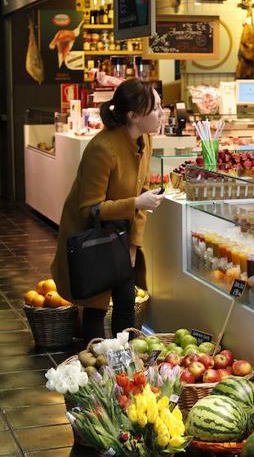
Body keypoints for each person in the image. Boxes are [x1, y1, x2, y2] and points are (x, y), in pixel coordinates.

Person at [51, 79, 164, 342]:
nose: (162, 113)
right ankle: (93, 366)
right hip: (91, 237)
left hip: (121, 235)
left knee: (126, 298)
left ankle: (123, 364)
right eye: (156, 108)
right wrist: (136, 203)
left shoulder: (144, 139)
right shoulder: (103, 148)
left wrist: (134, 246)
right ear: (133, 115)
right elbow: (89, 209)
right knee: (95, 306)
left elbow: (142, 192)